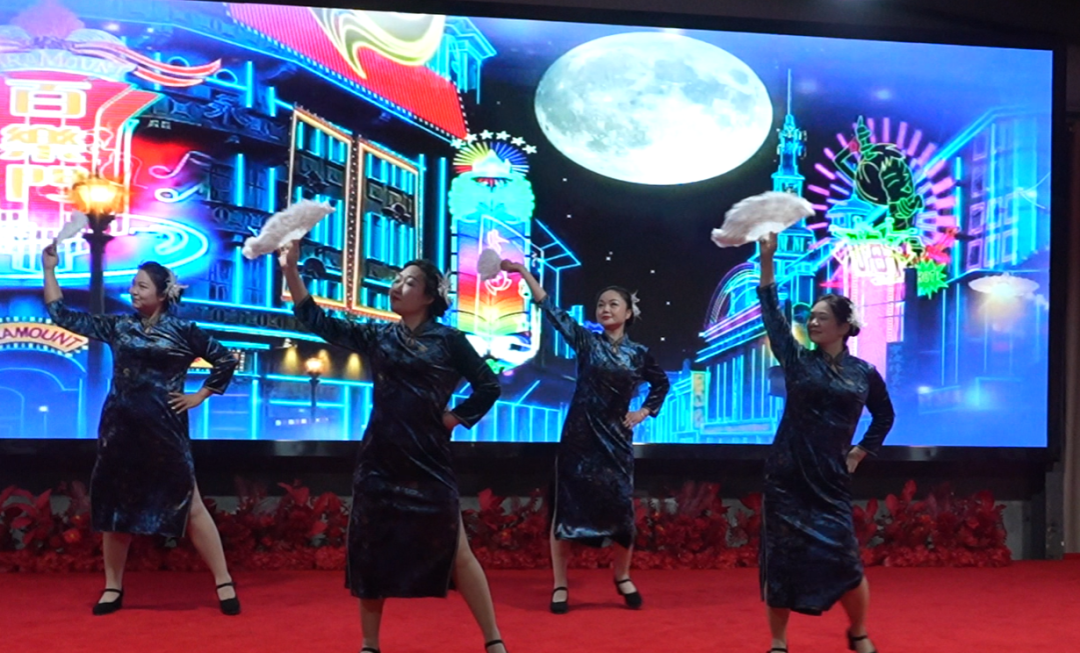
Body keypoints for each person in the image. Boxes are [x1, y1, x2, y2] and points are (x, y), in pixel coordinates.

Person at [279, 242, 507, 653]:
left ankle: (494, 641)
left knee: (457, 550)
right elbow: (319, 321)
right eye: (397, 280)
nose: (397, 286)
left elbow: (488, 386)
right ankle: (370, 644)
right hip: (379, 461)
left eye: (409, 282)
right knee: (371, 551)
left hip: (429, 461)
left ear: (430, 296)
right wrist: (291, 271)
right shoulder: (380, 335)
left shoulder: (451, 340)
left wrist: (454, 418)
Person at [41, 245, 241, 616]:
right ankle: (112, 587)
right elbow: (62, 315)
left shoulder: (184, 331)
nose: (133, 291)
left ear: (163, 294)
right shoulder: (120, 326)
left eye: (142, 286)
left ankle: (224, 581)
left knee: (191, 505)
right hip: (120, 428)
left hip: (165, 430)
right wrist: (49, 270)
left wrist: (200, 395)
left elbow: (225, 360)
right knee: (115, 508)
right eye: (133, 285)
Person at [499, 259, 670, 614]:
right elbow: (550, 308)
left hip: (616, 441)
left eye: (613, 304)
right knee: (566, 510)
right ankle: (560, 584)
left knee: (621, 509)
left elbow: (661, 384)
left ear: (628, 313)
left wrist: (643, 412)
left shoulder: (640, 355)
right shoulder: (587, 342)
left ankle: (622, 575)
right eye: (601, 304)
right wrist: (524, 273)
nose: (605, 309)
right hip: (579, 438)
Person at [754, 232, 895, 653]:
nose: (812, 323)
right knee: (781, 563)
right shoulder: (797, 360)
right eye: (810, 317)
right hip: (786, 479)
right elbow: (771, 313)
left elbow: (885, 416)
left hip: (831, 481)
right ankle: (778, 642)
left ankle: (858, 632)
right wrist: (767, 259)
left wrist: (861, 451)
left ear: (845, 326)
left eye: (821, 317)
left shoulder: (863, 372)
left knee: (847, 562)